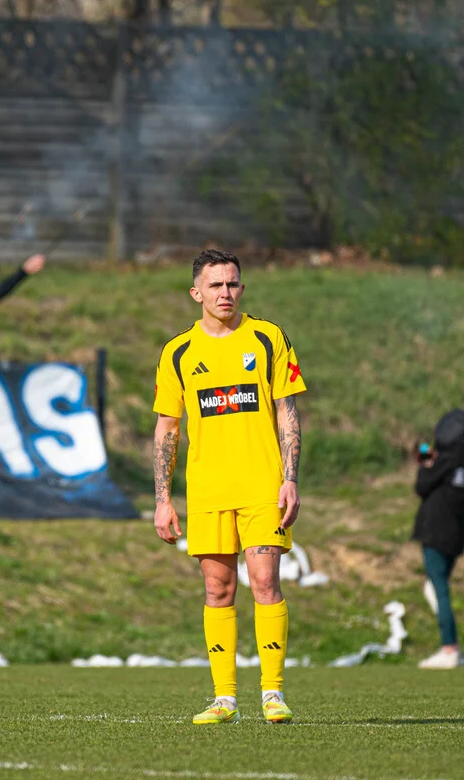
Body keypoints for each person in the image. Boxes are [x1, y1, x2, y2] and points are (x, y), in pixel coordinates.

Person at [153, 249, 306, 726]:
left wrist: (290, 478)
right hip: (207, 491)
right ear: (196, 293)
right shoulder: (178, 352)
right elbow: (166, 429)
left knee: (265, 582)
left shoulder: (268, 338)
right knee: (218, 589)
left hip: (262, 485)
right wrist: (162, 500)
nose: (226, 293)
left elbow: (287, 411)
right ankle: (224, 699)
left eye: (233, 284)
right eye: (216, 285)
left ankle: (273, 694)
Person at [411, 409, 464, 670]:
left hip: (435, 528)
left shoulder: (448, 458)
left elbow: (422, 486)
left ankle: (449, 648)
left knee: (438, 587)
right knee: (434, 587)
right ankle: (451, 646)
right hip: (458, 532)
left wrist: (426, 462)